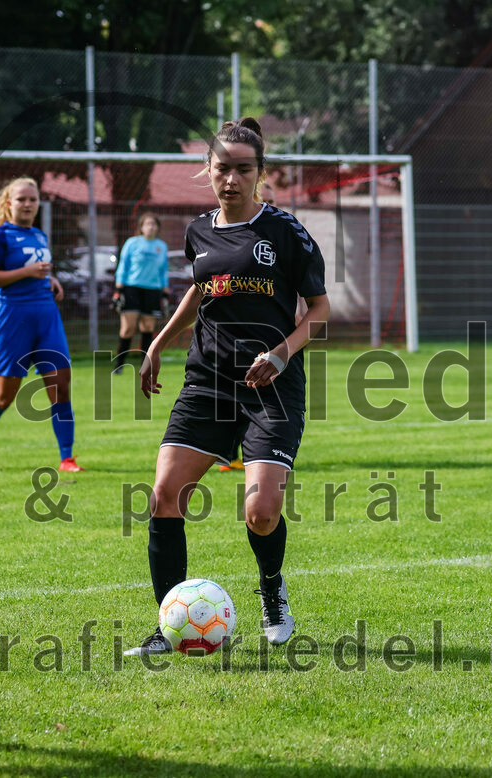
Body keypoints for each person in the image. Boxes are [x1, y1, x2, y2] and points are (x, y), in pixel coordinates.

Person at [124, 117, 330, 655]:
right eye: (223, 169)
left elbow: (320, 310)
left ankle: (271, 589)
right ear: (208, 170)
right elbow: (200, 289)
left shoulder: (285, 232)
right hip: (208, 382)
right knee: (164, 496)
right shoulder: (198, 231)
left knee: (261, 513)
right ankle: (168, 626)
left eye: (243, 169)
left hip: (272, 386)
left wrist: (281, 353)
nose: (232, 179)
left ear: (260, 173)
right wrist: (157, 343)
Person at [0, 177, 84, 473]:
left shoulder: (39, 236)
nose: (28, 204)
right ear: (9, 203)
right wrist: (28, 271)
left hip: (46, 318)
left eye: (33, 199)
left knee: (61, 388)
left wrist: (49, 279)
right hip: (13, 320)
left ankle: (67, 458)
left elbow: (35, 272)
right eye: (21, 199)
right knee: (4, 397)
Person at [112, 213, 170, 373]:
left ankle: (145, 366)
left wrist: (165, 289)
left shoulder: (161, 246)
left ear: (158, 228)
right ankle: (119, 365)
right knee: (128, 328)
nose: (151, 227)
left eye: (154, 224)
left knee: (148, 327)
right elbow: (123, 265)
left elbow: (164, 269)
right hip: (132, 288)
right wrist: (119, 287)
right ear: (141, 227)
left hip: (153, 290)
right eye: (148, 224)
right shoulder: (132, 243)